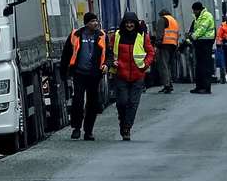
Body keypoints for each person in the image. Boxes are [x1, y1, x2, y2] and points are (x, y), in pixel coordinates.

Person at [109, 12, 156, 140]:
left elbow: (150, 53)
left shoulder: (142, 36)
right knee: (122, 102)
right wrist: (111, 62)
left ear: (135, 23)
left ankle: (127, 128)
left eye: (132, 23)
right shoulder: (116, 36)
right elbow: (109, 51)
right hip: (120, 75)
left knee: (133, 103)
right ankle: (122, 121)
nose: (129, 25)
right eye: (127, 23)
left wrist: (144, 65)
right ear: (124, 23)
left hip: (137, 76)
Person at [59, 12, 106, 140]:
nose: (95, 23)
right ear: (86, 23)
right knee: (78, 101)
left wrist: (107, 64)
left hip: (94, 75)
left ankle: (88, 131)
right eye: (92, 21)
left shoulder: (101, 36)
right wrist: (63, 72)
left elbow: (108, 53)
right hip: (79, 73)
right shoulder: (76, 35)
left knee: (92, 103)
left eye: (96, 21)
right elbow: (66, 54)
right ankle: (76, 128)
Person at [183, 2, 216, 94]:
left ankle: (206, 87)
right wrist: (190, 39)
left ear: (198, 9)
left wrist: (193, 36)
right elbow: (195, 29)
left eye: (194, 10)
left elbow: (202, 29)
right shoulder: (198, 17)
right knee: (199, 66)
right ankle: (199, 86)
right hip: (200, 43)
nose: (193, 12)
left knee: (205, 66)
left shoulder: (206, 16)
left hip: (206, 43)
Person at [154, 9, 181, 94]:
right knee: (169, 65)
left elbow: (160, 32)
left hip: (164, 44)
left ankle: (167, 85)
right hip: (173, 45)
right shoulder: (173, 20)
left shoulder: (162, 19)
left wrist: (157, 42)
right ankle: (169, 83)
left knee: (163, 65)